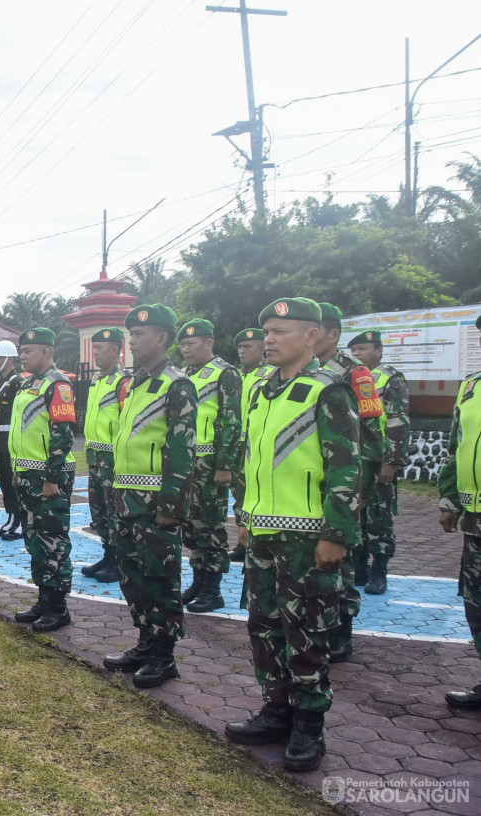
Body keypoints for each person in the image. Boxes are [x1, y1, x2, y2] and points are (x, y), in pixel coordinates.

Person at [226, 297, 359, 773]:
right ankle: (276, 708)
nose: (269, 339)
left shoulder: (330, 390)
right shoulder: (261, 388)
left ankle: (309, 723)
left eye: (281, 332)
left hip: (308, 537)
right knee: (263, 626)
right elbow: (252, 457)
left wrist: (336, 533)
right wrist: (244, 514)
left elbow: (346, 466)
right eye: (267, 332)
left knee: (306, 632)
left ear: (311, 336)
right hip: (262, 529)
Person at [103, 304, 196, 689]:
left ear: (161, 338)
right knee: (134, 575)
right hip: (127, 496)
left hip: (156, 500)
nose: (132, 341)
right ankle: (145, 642)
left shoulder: (177, 384)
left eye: (139, 335)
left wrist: (173, 508)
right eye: (131, 334)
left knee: (160, 578)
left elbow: (182, 450)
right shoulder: (135, 383)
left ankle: (164, 655)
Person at [314, 302, 382, 663]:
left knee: (343, 557)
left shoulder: (353, 373)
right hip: (312, 480)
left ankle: (342, 630)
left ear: (332, 334)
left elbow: (370, 434)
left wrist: (361, 489)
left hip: (346, 479)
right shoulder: (302, 373)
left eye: (316, 329)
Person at [8, 328, 77, 631]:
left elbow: (63, 435)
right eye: (21, 351)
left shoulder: (58, 385)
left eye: (28, 350)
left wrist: (52, 478)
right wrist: (16, 468)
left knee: (54, 543)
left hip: (49, 476)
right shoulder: (27, 385)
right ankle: (43, 599)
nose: (22, 356)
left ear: (47, 351)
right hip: (26, 473)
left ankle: (58, 607)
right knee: (35, 540)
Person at [176, 319, 242, 613]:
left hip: (210, 461)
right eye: (183, 345)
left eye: (191, 344)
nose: (186, 349)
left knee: (212, 525)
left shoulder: (225, 374)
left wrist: (224, 464)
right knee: (191, 525)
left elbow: (231, 421)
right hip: (187, 461)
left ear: (209, 343)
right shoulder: (185, 374)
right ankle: (198, 581)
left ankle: (213, 589)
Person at [438, 318, 481, 709]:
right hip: (475, 515)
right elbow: (457, 445)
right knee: (476, 600)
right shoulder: (471, 386)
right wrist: (449, 498)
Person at [347, 330, 409, 596]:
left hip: (379, 459)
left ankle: (379, 570)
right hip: (354, 458)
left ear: (379, 351)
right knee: (356, 514)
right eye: (354, 351)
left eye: (363, 349)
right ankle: (359, 567)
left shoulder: (390, 378)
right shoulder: (352, 377)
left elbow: (398, 420)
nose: (358, 354)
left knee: (379, 516)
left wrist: (391, 462)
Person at [81, 327, 127, 583]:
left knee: (113, 511)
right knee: (98, 511)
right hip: (94, 454)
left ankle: (119, 561)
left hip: (113, 458)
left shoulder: (124, 381)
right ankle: (108, 554)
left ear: (115, 350)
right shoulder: (97, 380)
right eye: (94, 347)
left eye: (100, 348)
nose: (95, 353)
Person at [230, 328, 275, 562]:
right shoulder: (237, 375)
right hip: (238, 442)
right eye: (240, 348)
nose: (242, 351)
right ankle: (242, 542)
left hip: (257, 442)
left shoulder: (271, 375)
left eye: (248, 347)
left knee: (256, 492)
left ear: (261, 349)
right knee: (240, 494)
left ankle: (256, 541)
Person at [0, 340, 24, 541]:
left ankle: (19, 520)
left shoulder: (17, 382)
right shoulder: (0, 382)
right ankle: (11, 517)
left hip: (10, 437)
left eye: (0, 358)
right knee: (3, 479)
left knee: (13, 480)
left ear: (10, 359)